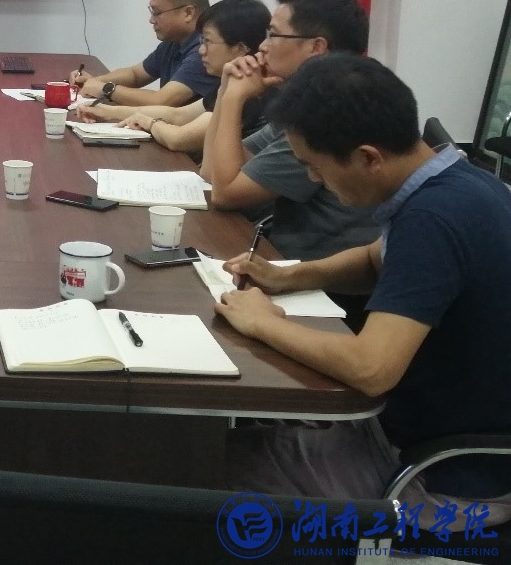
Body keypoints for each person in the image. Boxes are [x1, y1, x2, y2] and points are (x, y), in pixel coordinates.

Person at [216, 55, 511, 526]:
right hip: (416, 435)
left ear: (369, 157)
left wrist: (263, 323)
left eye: (314, 167)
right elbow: (377, 258)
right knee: (223, 441)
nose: (313, 179)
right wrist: (288, 276)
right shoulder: (456, 179)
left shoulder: (433, 220)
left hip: (441, 479)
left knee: (203, 470)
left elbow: (371, 369)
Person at [201, 0, 379, 264]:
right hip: (283, 257)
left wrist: (235, 98)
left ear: (316, 47)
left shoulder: (328, 110)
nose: (263, 46)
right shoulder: (305, 96)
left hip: (314, 275)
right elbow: (210, 171)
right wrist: (226, 89)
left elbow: (224, 194)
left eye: (273, 35)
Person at [73, 0, 271, 154]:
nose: (201, 50)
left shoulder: (250, 93)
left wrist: (149, 123)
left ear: (240, 49)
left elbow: (179, 138)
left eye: (208, 42)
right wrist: (107, 112)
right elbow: (177, 115)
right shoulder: (231, 82)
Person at [70, 0, 218, 107]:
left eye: (157, 13)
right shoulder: (174, 42)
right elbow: (136, 75)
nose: (151, 20)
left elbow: (161, 100)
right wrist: (94, 81)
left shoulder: (205, 52)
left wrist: (105, 88)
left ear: (188, 13)